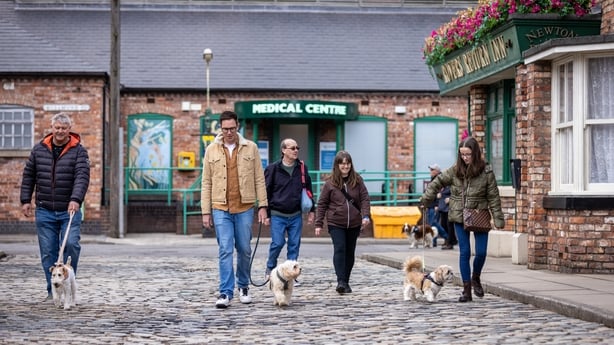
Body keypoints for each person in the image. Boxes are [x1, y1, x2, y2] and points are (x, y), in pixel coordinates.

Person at [421, 137, 504, 302]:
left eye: (468, 154)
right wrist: (426, 198)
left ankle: (476, 278)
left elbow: (493, 196)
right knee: (464, 252)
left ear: (475, 153)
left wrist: (498, 218)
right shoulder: (454, 170)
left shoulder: (486, 172)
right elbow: (437, 182)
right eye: (462, 154)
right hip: (459, 215)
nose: (465, 158)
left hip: (480, 214)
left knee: (481, 252)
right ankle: (467, 290)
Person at [201, 110, 268, 309]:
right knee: (225, 249)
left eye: (231, 128)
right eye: (225, 129)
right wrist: (206, 211)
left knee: (245, 249)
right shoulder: (211, 150)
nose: (228, 132)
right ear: (220, 128)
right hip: (220, 207)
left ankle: (244, 286)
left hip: (245, 206)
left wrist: (263, 205)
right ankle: (225, 291)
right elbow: (206, 182)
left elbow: (259, 178)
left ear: (237, 126)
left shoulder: (251, 148)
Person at [20, 112, 90, 301]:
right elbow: (29, 176)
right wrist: (25, 200)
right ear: (52, 128)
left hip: (70, 210)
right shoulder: (38, 150)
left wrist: (76, 199)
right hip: (44, 210)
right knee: (48, 252)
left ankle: (68, 280)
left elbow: (82, 178)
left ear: (69, 130)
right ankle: (53, 290)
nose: (60, 131)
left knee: (71, 244)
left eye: (64, 128)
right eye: (57, 128)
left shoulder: (79, 151)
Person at [314, 150, 370, 294]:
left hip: (354, 223)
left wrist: (365, 216)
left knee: (350, 252)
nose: (345, 166)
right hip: (336, 222)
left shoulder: (358, 180)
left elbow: (364, 199)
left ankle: (345, 281)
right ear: (337, 165)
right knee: (340, 249)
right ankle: (340, 281)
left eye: (348, 163)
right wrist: (318, 223)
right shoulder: (330, 183)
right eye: (342, 163)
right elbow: (322, 204)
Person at [264, 138, 315, 284]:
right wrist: (266, 213)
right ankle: (270, 267)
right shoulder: (273, 169)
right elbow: (266, 192)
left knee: (294, 245)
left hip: (295, 214)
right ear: (283, 150)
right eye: (292, 148)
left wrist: (312, 210)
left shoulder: (302, 168)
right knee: (278, 243)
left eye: (297, 148)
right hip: (277, 214)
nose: (296, 150)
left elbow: (309, 190)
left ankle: (291, 275)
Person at [426, 164, 448, 247]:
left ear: (437, 171)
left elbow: (439, 194)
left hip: (435, 205)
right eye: (430, 169)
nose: (430, 171)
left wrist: (436, 204)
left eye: (432, 170)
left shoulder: (439, 180)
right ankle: (433, 241)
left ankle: (446, 236)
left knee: (434, 223)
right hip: (431, 205)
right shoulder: (433, 179)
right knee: (432, 224)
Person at [438, 184, 457, 250]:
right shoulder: (443, 185)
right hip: (443, 208)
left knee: (449, 225)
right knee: (443, 225)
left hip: (449, 207)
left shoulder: (452, 184)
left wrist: (450, 198)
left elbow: (457, 193)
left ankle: (450, 243)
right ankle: (448, 240)